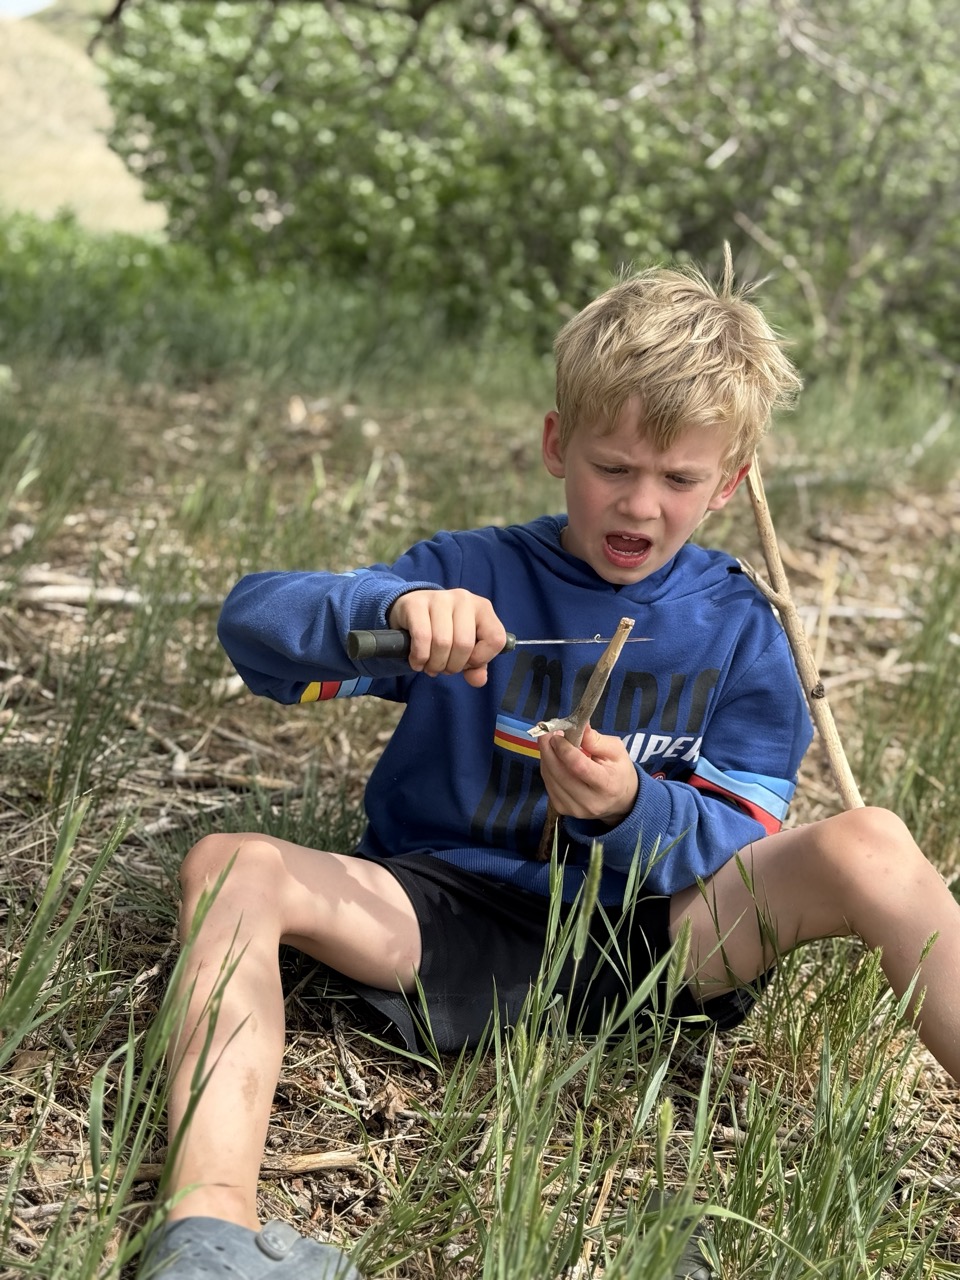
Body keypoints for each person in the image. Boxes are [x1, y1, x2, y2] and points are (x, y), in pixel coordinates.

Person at [140, 254, 960, 1280]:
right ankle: (210, 1231)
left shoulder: (747, 623)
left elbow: (745, 825)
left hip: (654, 937)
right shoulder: (471, 573)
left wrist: (632, 809)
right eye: (613, 467)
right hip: (442, 915)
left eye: (679, 480)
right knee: (231, 865)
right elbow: (257, 634)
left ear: (730, 481)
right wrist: (391, 610)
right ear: (555, 444)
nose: (641, 505)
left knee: (872, 842)